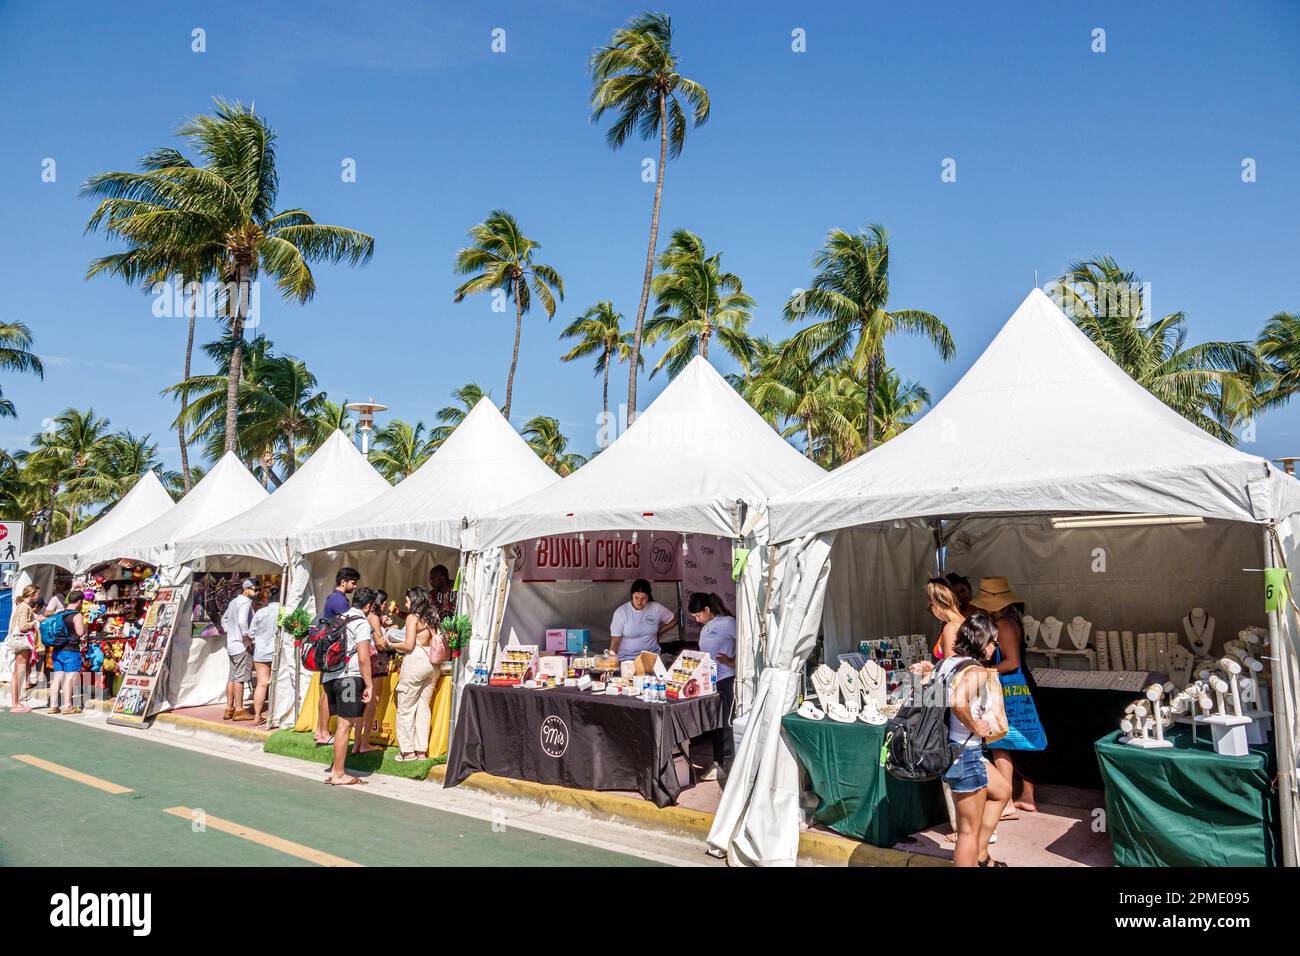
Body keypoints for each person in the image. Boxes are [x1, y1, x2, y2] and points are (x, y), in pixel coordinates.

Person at [932, 612, 1011, 867]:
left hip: (956, 750)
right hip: (965, 753)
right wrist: (975, 724)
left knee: (1002, 791)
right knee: (967, 832)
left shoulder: (949, 663)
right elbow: (957, 701)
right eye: (993, 642)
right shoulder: (976, 671)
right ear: (981, 640)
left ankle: (981, 855)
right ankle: (974, 855)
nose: (995, 648)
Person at [970, 576, 1044, 813]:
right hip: (1019, 686)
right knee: (1019, 740)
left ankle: (1011, 798)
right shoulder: (1012, 620)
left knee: (1001, 742)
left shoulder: (1002, 624)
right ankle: (1022, 795)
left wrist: (986, 670)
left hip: (1010, 687)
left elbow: (1012, 662)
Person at [323, 586, 375, 786]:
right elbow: (363, 658)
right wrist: (369, 685)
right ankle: (338, 773)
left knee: (341, 725)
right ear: (369, 605)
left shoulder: (340, 618)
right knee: (345, 726)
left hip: (330, 676)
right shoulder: (360, 622)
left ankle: (337, 769)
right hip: (349, 678)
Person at [688, 592, 736, 781]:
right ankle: (717, 763)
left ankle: (729, 764)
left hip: (727, 679)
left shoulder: (728, 623)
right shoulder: (705, 628)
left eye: (699, 615)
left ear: (707, 610)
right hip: (709, 680)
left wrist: (732, 661)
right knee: (715, 724)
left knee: (727, 724)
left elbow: (749, 645)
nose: (698, 620)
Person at [391, 586, 442, 761]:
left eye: (407, 600)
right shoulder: (433, 616)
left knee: (405, 707)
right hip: (433, 664)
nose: (405, 603)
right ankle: (421, 751)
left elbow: (409, 645)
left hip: (417, 662)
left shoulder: (413, 617)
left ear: (414, 599)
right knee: (423, 708)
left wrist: (391, 644)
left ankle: (407, 751)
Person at [316, 567, 360, 745]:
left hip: (328, 651)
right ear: (344, 582)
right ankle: (324, 733)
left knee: (325, 693)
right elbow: (349, 624)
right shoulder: (339, 600)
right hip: (333, 652)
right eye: (353, 582)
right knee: (327, 693)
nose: (355, 586)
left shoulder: (333, 598)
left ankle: (321, 730)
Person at [352, 588, 389, 756]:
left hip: (366, 659)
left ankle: (357, 742)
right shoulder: (373, 617)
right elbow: (380, 644)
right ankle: (364, 742)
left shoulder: (363, 616)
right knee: (372, 702)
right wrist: (390, 638)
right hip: (376, 660)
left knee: (364, 703)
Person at [610, 579, 676, 662]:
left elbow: (674, 620)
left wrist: (659, 631)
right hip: (627, 659)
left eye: (643, 598)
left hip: (652, 657)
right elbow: (615, 641)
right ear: (631, 596)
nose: (639, 602)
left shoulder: (656, 608)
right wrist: (611, 663)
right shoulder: (621, 612)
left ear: (648, 596)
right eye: (636, 598)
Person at [222, 579, 258, 721]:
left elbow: (224, 620)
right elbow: (243, 621)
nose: (256, 593)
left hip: (232, 644)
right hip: (240, 645)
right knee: (240, 678)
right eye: (254, 590)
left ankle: (229, 708)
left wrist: (230, 631)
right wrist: (246, 637)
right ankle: (239, 709)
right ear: (246, 589)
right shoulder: (245, 602)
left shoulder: (234, 602)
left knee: (232, 676)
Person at [47, 591, 87, 715]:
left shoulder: (59, 613)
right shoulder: (77, 615)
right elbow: (80, 632)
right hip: (71, 651)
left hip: (58, 650)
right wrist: (86, 627)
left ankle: (53, 706)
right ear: (79, 602)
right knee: (70, 676)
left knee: (57, 677)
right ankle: (68, 705)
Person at [6, 585, 44, 712]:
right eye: (37, 594)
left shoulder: (22, 606)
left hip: (19, 642)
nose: (39, 596)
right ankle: (15, 704)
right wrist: (36, 621)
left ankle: (16, 703)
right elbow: (23, 627)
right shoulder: (25, 607)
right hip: (22, 642)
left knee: (18, 673)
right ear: (32, 594)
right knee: (18, 673)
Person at [249, 585, 280, 726]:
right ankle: (275, 714)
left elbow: (251, 633)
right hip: (277, 651)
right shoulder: (283, 611)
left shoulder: (260, 612)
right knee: (278, 683)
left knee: (261, 684)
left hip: (260, 651)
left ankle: (257, 716)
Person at [926, 577, 965, 660]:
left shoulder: (951, 627)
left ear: (935, 603)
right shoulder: (965, 622)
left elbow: (951, 666)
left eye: (930, 607)